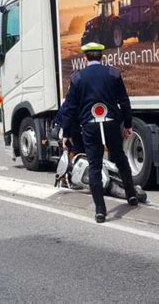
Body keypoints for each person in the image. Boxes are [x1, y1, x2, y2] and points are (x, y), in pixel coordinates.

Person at [62, 42, 138, 223]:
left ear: (85, 57)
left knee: (95, 166)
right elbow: (124, 101)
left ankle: (100, 211)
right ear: (101, 56)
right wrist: (128, 124)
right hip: (112, 124)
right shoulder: (113, 73)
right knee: (120, 158)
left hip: (90, 127)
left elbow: (69, 108)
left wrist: (66, 133)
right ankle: (131, 195)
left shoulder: (78, 78)